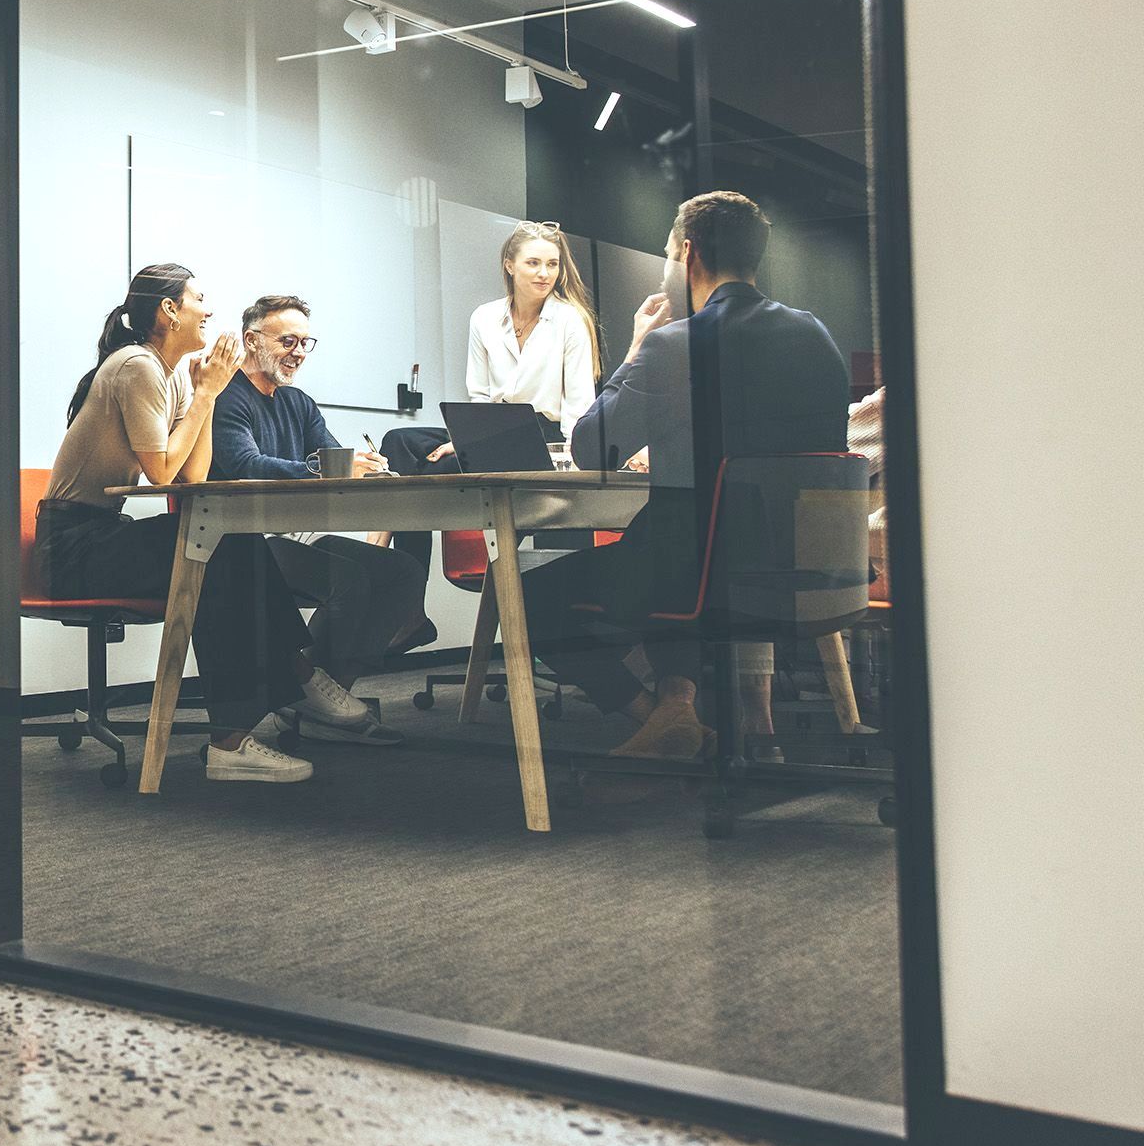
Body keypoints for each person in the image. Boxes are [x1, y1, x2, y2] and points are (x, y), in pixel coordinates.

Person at [521, 192, 851, 761]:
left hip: (702, 572)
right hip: (806, 564)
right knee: (664, 541)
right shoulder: (816, 336)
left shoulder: (678, 345)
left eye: (669, 253)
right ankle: (677, 709)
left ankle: (664, 723)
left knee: (528, 597)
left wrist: (635, 349)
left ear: (688, 254)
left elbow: (592, 450)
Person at [35, 264, 385, 784]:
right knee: (217, 548)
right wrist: (206, 396)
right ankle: (264, 709)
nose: (210, 309)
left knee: (222, 543)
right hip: (73, 548)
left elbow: (189, 475)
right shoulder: (136, 366)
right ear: (169, 310)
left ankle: (261, 709)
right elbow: (160, 474)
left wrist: (209, 393)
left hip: (100, 535)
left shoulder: (171, 374)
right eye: (200, 298)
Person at [208, 294, 427, 745]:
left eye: (306, 343)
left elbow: (331, 458)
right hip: (238, 543)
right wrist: (329, 467)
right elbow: (246, 465)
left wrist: (362, 465)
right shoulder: (226, 397)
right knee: (348, 579)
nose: (299, 352)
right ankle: (310, 695)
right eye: (288, 340)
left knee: (400, 570)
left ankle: (323, 695)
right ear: (252, 340)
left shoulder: (298, 403)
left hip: (289, 538)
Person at [378, 220, 603, 576]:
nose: (545, 273)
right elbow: (479, 395)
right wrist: (464, 439)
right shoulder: (484, 317)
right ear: (509, 265)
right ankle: (403, 583)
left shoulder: (569, 320)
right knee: (399, 442)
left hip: (543, 438)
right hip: (490, 431)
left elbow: (579, 404)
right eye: (533, 263)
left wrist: (575, 464)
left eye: (552, 264)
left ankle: (385, 556)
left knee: (420, 477)